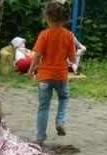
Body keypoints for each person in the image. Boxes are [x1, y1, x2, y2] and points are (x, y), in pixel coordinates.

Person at [27, 1, 76, 145]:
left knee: (43, 107)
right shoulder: (69, 36)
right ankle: (60, 120)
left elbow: (36, 56)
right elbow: (72, 59)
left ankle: (40, 138)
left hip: (45, 77)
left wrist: (31, 71)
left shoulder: (44, 35)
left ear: (47, 17)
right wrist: (66, 62)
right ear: (65, 18)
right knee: (63, 98)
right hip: (61, 76)